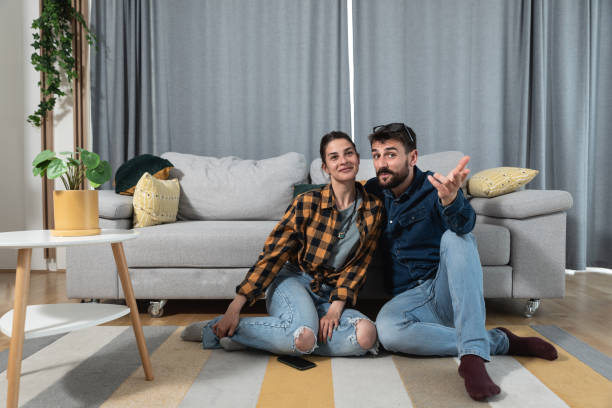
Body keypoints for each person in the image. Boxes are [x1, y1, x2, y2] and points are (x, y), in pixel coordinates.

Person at [365, 123, 558, 401]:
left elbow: (465, 223)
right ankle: (497, 341)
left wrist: (452, 199)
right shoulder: (372, 191)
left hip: (444, 289)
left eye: (391, 154)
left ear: (413, 157)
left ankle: (471, 359)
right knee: (388, 332)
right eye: (376, 155)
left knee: (457, 238)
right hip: (409, 301)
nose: (382, 163)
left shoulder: (436, 186)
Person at [182, 131, 384, 357]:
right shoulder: (307, 202)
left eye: (348, 153)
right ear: (326, 168)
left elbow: (359, 266)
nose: (344, 161)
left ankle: (265, 338)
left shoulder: (373, 208)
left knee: (366, 335)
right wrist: (235, 307)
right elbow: (273, 256)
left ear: (357, 157)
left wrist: (336, 308)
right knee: (304, 336)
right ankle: (217, 329)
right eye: (334, 157)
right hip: (294, 281)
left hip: (329, 292)